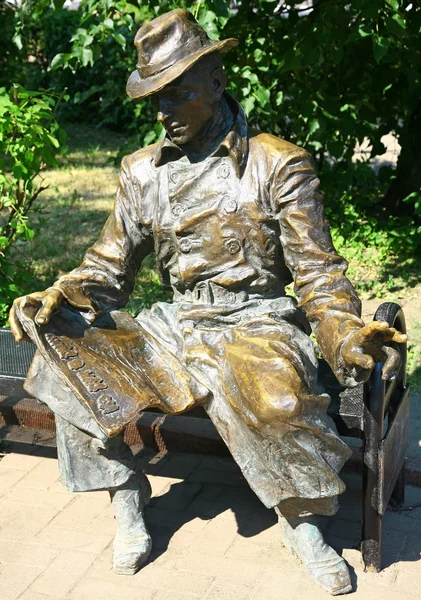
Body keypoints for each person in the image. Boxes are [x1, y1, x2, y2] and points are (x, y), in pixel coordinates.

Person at [9, 9, 406, 596]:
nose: (163, 112)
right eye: (155, 100)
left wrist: (346, 335)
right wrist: (60, 295)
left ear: (217, 83)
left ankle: (301, 521)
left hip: (256, 322)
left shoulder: (277, 164)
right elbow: (108, 267)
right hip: (176, 321)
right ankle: (125, 497)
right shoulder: (141, 172)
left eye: (178, 95)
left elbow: (319, 275)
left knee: (276, 402)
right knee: (62, 358)